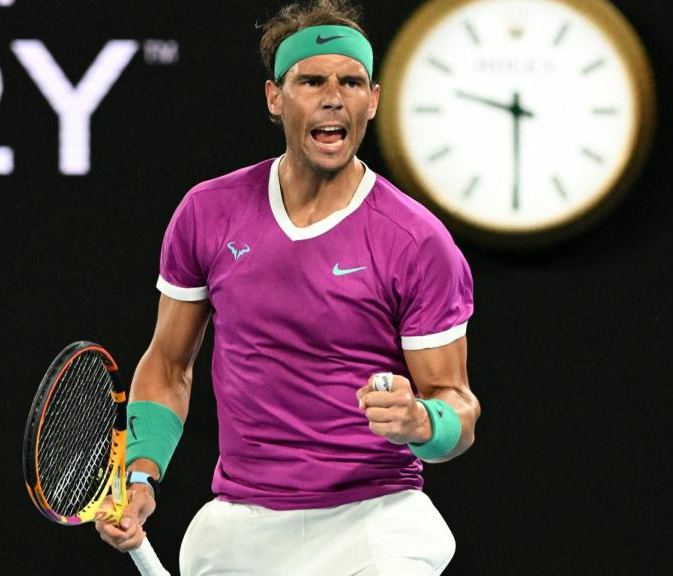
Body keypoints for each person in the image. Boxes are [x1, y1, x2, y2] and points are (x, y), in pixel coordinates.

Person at [96, 1, 481, 574]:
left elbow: (458, 408)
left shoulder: (417, 241)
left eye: (351, 82)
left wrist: (422, 422)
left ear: (372, 100)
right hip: (244, 524)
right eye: (312, 81)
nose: (334, 97)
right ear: (275, 97)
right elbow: (170, 364)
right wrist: (141, 475)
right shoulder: (208, 213)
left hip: (375, 523)